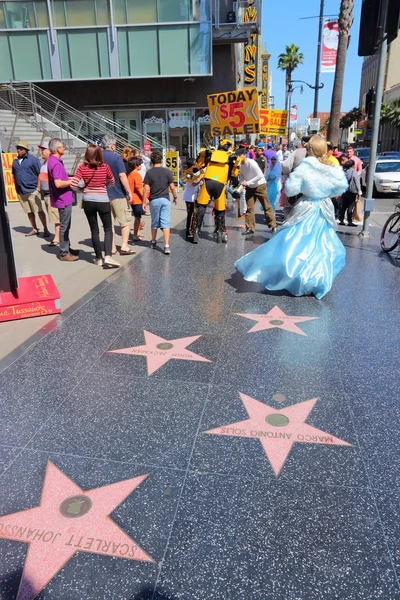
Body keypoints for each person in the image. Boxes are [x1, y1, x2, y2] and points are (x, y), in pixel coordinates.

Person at [235, 135, 348, 299]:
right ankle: (315, 281)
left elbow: (291, 190)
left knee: (295, 243)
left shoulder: (305, 168)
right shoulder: (333, 168)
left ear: (311, 150)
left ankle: (296, 277)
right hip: (324, 208)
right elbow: (339, 190)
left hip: (307, 207)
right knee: (322, 246)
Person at [71, 144, 120, 267]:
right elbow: (112, 181)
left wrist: (81, 190)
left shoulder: (82, 168)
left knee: (94, 230)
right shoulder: (105, 167)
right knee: (108, 229)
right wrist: (105, 186)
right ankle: (108, 256)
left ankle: (98, 258)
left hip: (88, 200)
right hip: (103, 200)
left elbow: (73, 185)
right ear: (99, 154)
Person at [101, 134, 134, 256]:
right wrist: (129, 191)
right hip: (118, 193)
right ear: (112, 145)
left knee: (109, 224)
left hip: (103, 195)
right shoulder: (116, 158)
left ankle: (112, 247)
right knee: (124, 221)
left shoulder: (99, 158)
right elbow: (122, 175)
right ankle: (124, 246)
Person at [47, 138, 78, 261]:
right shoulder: (56, 163)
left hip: (62, 198)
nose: (64, 148)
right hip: (63, 199)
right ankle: (64, 252)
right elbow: (59, 183)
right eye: (63, 146)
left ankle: (67, 248)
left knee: (65, 225)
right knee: (64, 226)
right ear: (57, 149)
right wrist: (71, 181)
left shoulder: (52, 161)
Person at [12, 140, 50, 237]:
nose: (18, 150)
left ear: (25, 150)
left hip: (32, 190)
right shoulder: (15, 162)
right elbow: (14, 175)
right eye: (17, 148)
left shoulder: (33, 160)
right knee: (29, 211)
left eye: (20, 148)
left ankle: (45, 229)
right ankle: (34, 229)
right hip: (21, 191)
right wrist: (16, 188)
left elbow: (40, 174)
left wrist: (38, 188)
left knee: (39, 210)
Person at [143, 151, 178, 255]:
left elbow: (146, 188)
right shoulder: (167, 171)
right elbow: (172, 187)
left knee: (154, 221)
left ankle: (153, 241)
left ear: (152, 161)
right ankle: (167, 246)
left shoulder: (149, 172)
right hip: (165, 200)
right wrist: (175, 197)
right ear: (161, 160)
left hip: (154, 200)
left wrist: (144, 201)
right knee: (165, 223)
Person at [237, 149, 277, 237]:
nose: (238, 157)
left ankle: (273, 226)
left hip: (260, 186)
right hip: (250, 187)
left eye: (240, 155)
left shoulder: (251, 163)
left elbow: (260, 175)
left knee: (266, 206)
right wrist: (242, 183)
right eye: (237, 155)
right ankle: (250, 228)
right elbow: (241, 176)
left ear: (245, 155)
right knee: (249, 208)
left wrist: (247, 183)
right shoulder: (239, 165)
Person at [38, 142, 60, 246]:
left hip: (52, 195)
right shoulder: (43, 164)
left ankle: (57, 237)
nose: (41, 151)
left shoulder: (51, 163)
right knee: (52, 216)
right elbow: (40, 177)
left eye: (43, 149)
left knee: (55, 216)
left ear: (49, 151)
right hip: (46, 195)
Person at [339, 159, 362, 227]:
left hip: (344, 191)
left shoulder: (343, 171)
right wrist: (359, 192)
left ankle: (341, 220)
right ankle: (349, 221)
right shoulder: (353, 172)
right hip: (351, 191)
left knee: (343, 206)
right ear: (352, 165)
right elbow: (357, 182)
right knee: (350, 207)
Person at [182, 159, 201, 240]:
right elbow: (193, 183)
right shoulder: (190, 172)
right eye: (195, 162)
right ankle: (189, 231)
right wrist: (200, 179)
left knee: (193, 214)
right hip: (190, 197)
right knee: (191, 214)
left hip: (192, 196)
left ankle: (191, 230)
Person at [127, 156, 145, 242]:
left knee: (137, 217)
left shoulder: (130, 174)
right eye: (140, 164)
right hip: (137, 199)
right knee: (137, 217)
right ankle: (135, 234)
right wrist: (145, 198)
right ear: (136, 165)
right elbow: (139, 188)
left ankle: (137, 233)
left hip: (131, 198)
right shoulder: (137, 175)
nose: (141, 165)